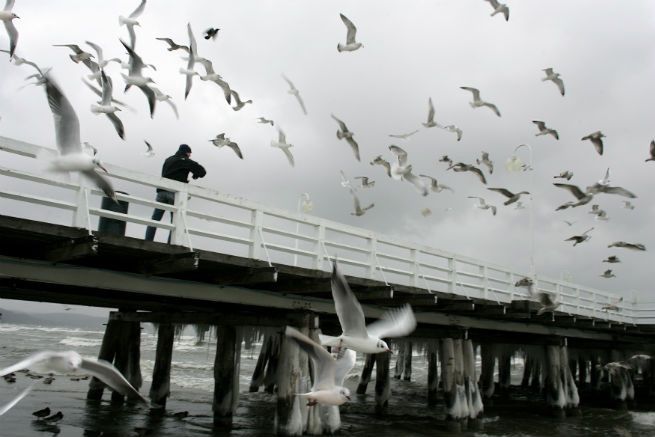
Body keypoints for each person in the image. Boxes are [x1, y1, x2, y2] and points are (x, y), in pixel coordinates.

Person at [145, 144, 206, 242]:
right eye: (189, 154)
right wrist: (195, 174)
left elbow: (172, 172)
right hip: (173, 193)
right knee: (175, 221)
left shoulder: (168, 159)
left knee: (155, 219)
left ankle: (148, 240)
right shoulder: (185, 161)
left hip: (161, 192)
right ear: (187, 152)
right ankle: (171, 244)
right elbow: (202, 171)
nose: (190, 156)